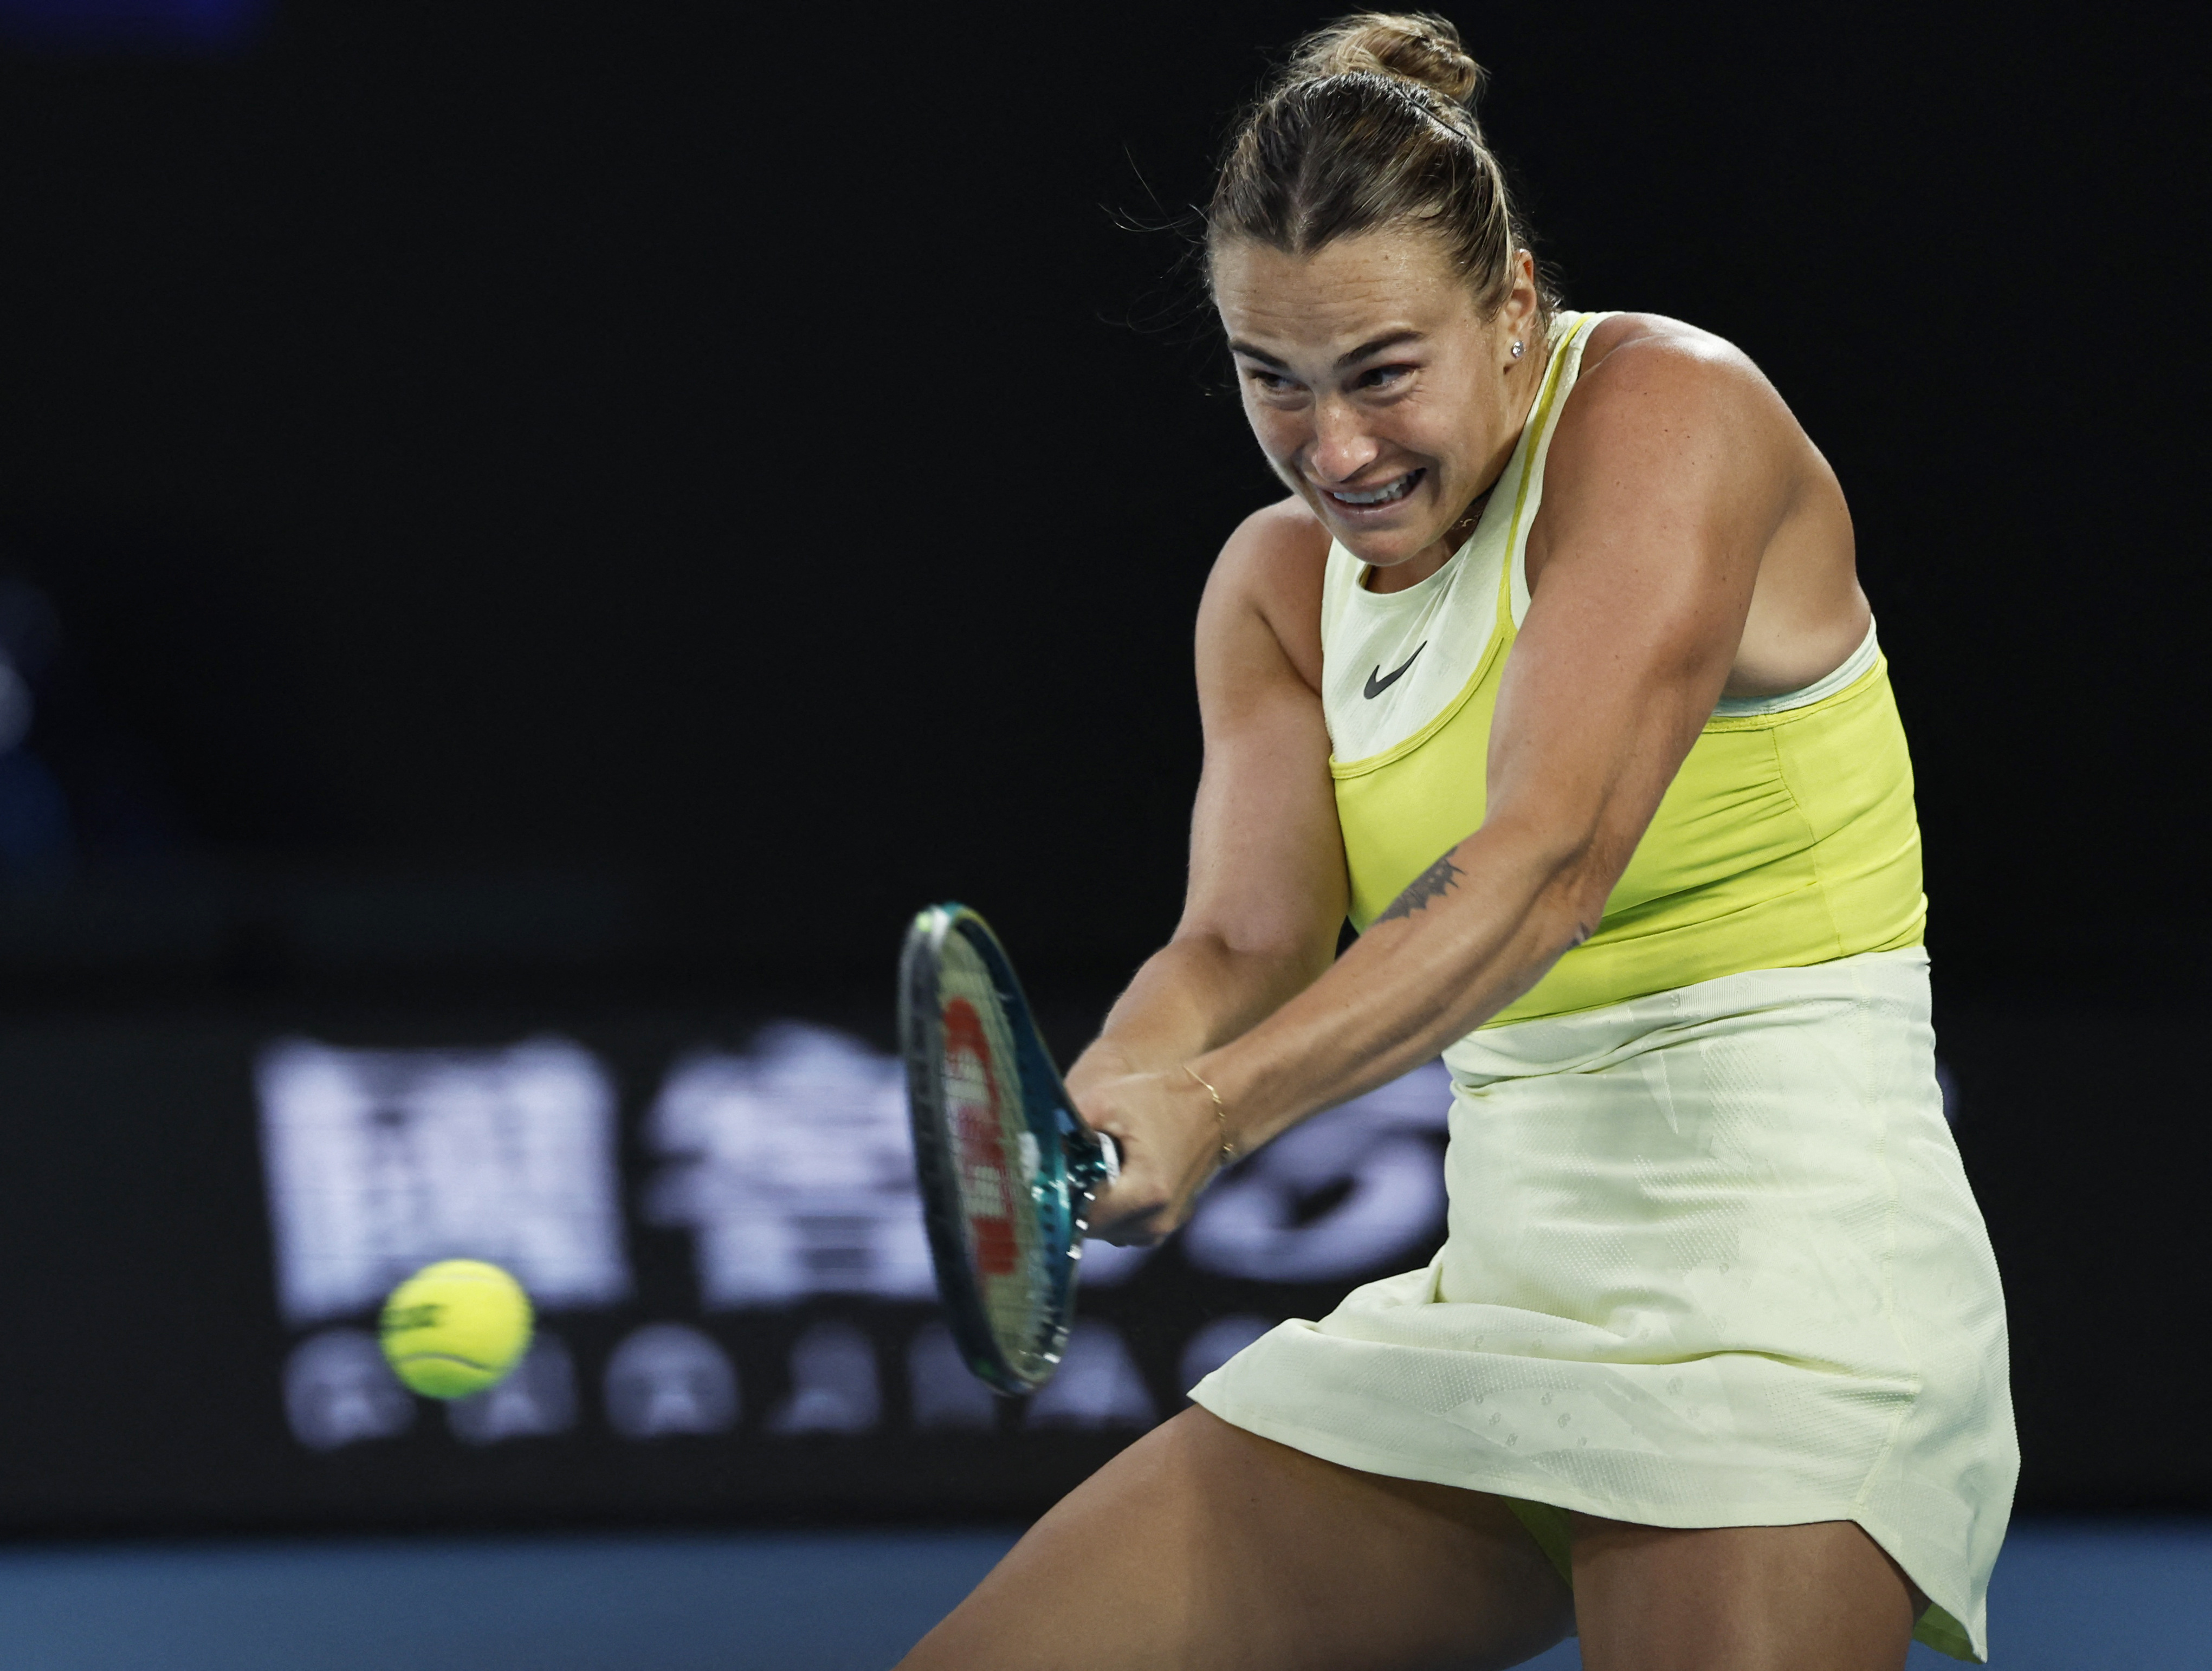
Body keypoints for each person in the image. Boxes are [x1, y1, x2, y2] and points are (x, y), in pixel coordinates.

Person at [898, 14, 2014, 1669]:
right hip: (1504, 1288)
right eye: (1269, 379)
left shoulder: (1666, 415)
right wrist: (1119, 1094)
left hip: (1788, 1289)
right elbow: (1242, 941)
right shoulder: (1274, 586)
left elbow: (1546, 867)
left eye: (1380, 373)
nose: (1331, 450)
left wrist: (1216, 1109)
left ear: (1513, 307)